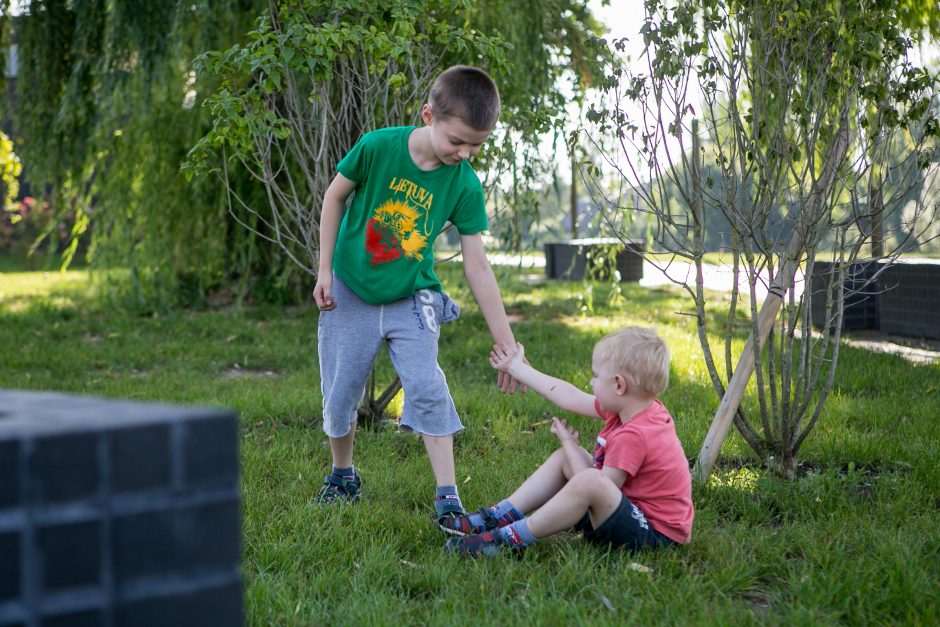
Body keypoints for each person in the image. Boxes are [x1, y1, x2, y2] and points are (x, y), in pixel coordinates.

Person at [311, 65, 522, 532]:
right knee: (341, 391)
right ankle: (343, 474)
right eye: (457, 141)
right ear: (428, 115)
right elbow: (333, 198)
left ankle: (448, 494)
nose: (465, 153)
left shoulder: (464, 183)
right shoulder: (379, 147)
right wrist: (324, 270)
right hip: (350, 288)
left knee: (427, 388)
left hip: (413, 297)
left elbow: (477, 265)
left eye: (477, 145)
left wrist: (506, 342)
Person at [443, 326, 694, 556]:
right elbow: (569, 396)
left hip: (654, 537)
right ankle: (497, 517)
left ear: (619, 384)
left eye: (596, 376)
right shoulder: (634, 408)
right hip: (628, 514)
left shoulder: (634, 435)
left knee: (584, 473)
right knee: (567, 460)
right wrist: (517, 368)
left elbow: (599, 488)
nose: (591, 382)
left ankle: (508, 538)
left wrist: (571, 446)